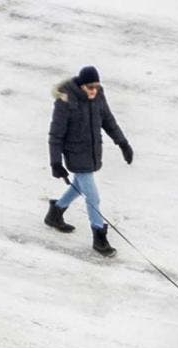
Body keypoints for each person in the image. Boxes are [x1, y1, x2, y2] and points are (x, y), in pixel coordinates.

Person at [44, 66, 133, 257]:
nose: (94, 90)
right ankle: (99, 237)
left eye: (96, 86)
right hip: (75, 153)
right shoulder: (65, 101)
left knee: (79, 185)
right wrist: (55, 162)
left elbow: (108, 120)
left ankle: (56, 212)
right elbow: (55, 135)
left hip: (93, 151)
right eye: (90, 87)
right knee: (93, 197)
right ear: (81, 86)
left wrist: (122, 143)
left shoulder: (99, 96)